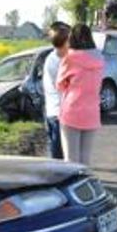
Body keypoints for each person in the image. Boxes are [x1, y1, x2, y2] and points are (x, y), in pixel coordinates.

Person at [57, 23, 105, 165]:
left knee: (70, 159)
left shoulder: (69, 58)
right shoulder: (100, 59)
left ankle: (69, 187)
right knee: (85, 160)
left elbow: (59, 84)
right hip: (92, 112)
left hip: (72, 110)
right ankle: (82, 186)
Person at [42, 22, 70, 159]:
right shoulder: (53, 61)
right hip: (57, 112)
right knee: (57, 153)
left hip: (59, 111)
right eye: (69, 40)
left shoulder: (63, 58)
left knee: (61, 152)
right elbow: (64, 86)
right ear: (63, 42)